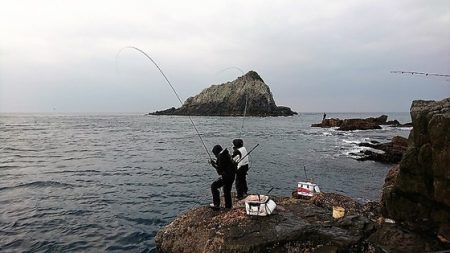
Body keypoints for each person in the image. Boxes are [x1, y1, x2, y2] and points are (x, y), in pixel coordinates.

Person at [209, 145, 236, 210]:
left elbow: (219, 171)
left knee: (214, 186)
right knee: (226, 190)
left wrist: (213, 165)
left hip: (226, 176)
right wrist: (216, 164)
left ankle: (216, 205)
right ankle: (228, 206)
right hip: (232, 175)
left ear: (216, 152)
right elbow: (223, 165)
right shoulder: (226, 154)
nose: (215, 156)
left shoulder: (220, 157)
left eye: (215, 154)